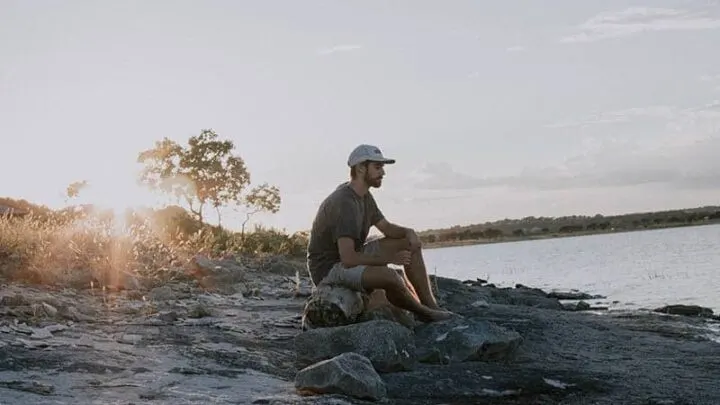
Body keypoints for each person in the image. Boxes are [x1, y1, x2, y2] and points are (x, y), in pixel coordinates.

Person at [306, 144, 454, 322]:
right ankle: (424, 314)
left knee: (408, 243)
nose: (383, 173)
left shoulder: (364, 196)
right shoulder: (344, 202)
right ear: (361, 168)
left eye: (382, 167)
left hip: (350, 257)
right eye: (377, 167)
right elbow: (348, 259)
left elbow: (387, 228)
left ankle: (431, 305)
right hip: (329, 268)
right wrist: (390, 260)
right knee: (390, 276)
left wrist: (409, 232)